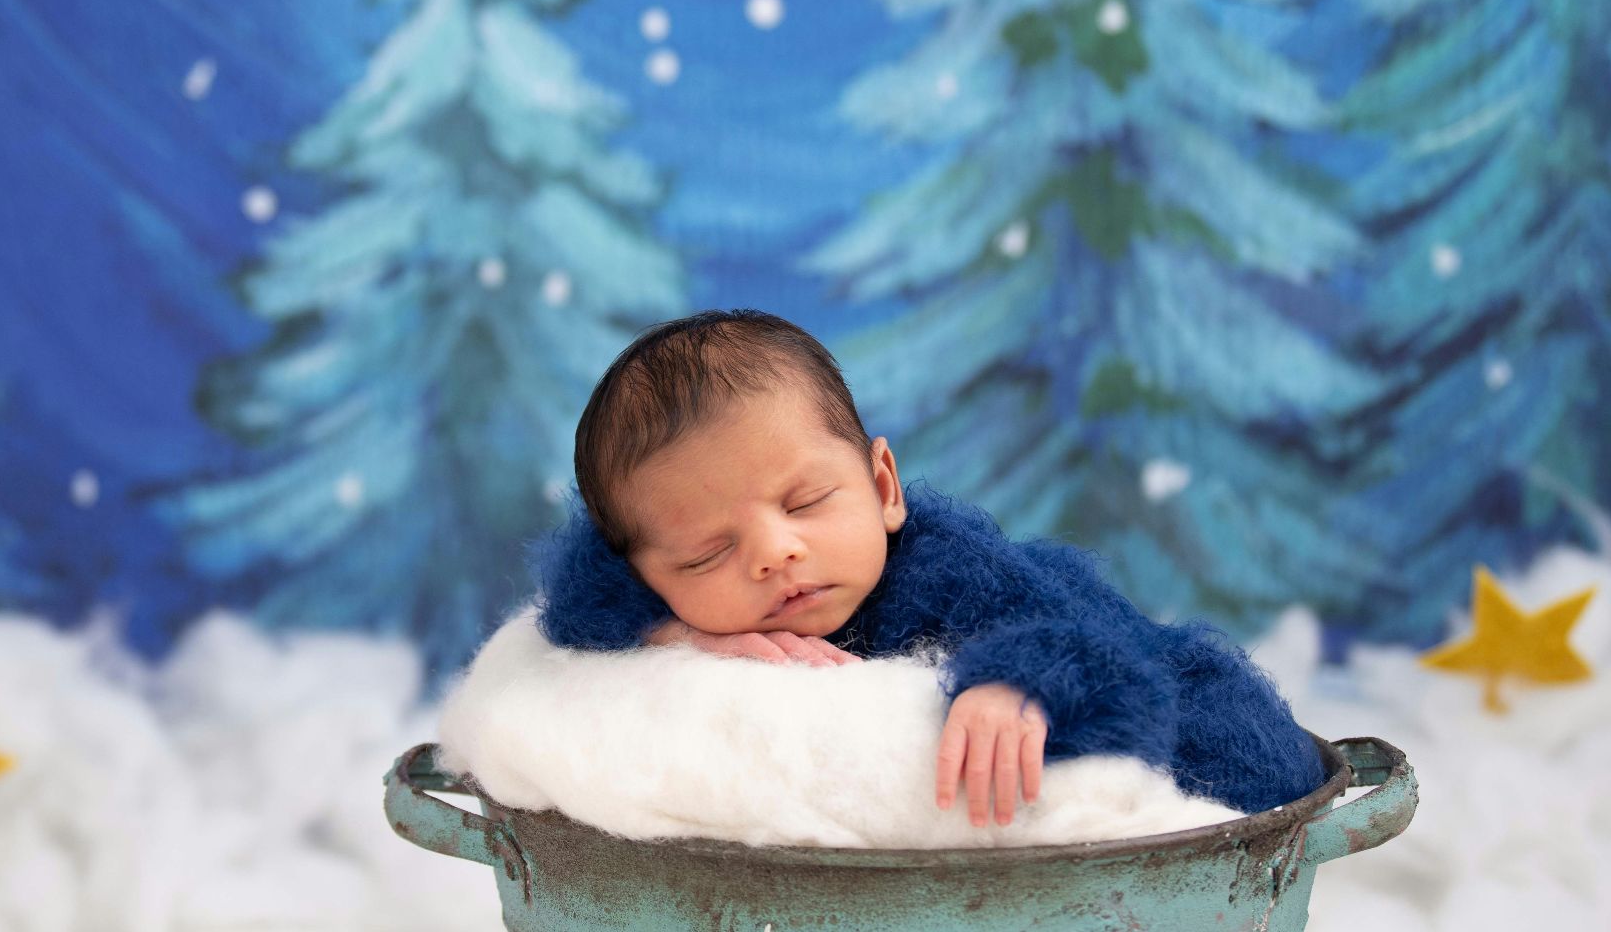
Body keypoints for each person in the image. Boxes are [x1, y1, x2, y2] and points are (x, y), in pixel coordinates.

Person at [532, 309, 1326, 826]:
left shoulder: (952, 571)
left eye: (806, 502)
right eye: (708, 554)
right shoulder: (663, 596)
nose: (775, 553)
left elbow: (1104, 658)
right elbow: (577, 602)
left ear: (883, 487)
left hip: (1206, 734)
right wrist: (676, 634)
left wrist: (1018, 686)